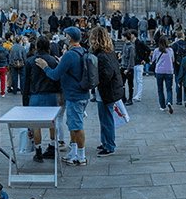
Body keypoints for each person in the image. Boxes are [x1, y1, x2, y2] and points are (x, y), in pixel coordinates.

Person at [36, 26, 90, 166]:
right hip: (81, 93)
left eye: (66, 35)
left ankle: (81, 156)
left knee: (77, 126)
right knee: (73, 124)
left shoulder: (70, 54)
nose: (65, 37)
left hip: (74, 95)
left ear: (70, 38)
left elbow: (54, 75)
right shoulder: (81, 50)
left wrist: (45, 67)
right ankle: (74, 152)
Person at [90, 26, 124, 157]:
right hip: (106, 92)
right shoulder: (108, 53)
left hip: (106, 92)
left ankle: (109, 145)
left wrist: (96, 80)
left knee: (107, 119)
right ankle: (105, 141)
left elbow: (107, 74)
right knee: (104, 118)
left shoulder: (103, 55)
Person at [26, 36, 59, 163]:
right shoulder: (53, 60)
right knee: (52, 123)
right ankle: (52, 146)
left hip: (35, 95)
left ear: (36, 46)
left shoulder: (30, 61)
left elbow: (26, 83)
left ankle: (38, 151)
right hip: (50, 94)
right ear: (48, 47)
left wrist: (25, 100)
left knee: (36, 125)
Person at [152, 35, 175, 113]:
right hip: (169, 71)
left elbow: (153, 60)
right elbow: (173, 60)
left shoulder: (156, 50)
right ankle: (169, 101)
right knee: (169, 88)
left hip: (159, 71)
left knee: (160, 89)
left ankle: (162, 105)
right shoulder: (170, 50)